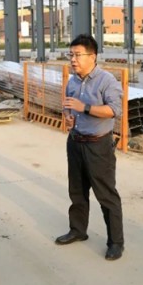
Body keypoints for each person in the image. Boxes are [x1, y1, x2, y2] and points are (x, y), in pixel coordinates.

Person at [57, 34, 125, 261]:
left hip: (98, 145)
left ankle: (115, 242)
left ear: (92, 56)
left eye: (77, 55)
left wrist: (84, 107)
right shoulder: (73, 81)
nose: (73, 59)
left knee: (106, 194)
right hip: (75, 142)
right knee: (76, 191)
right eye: (71, 55)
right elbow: (68, 106)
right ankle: (78, 230)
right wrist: (68, 116)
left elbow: (115, 110)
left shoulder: (106, 81)